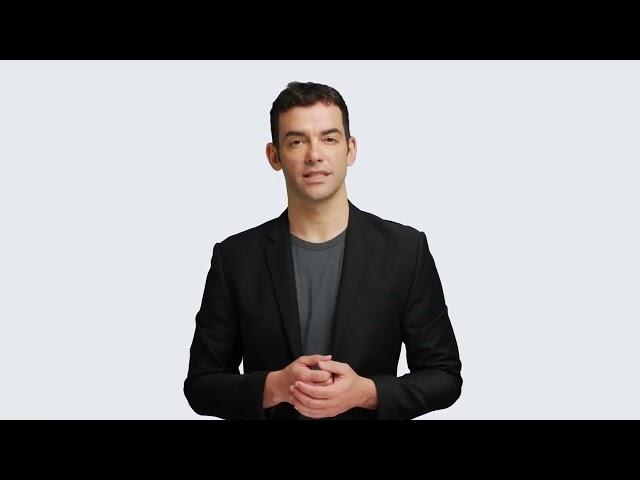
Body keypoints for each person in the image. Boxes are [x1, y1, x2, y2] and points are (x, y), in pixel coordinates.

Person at [183, 81, 462, 420]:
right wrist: (273, 387)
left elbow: (444, 376)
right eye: (297, 141)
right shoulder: (234, 258)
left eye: (329, 139)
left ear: (350, 149)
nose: (314, 155)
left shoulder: (405, 251)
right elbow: (201, 385)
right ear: (274, 156)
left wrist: (367, 393)